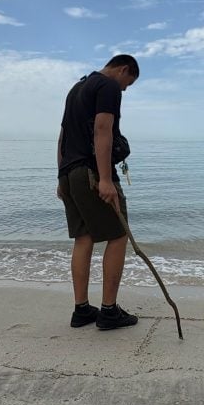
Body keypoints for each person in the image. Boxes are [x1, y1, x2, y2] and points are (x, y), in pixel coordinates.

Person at [57, 54, 140, 330]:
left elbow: (63, 136)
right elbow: (103, 129)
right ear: (123, 69)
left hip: (70, 173)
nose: (124, 90)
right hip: (92, 173)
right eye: (127, 84)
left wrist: (61, 177)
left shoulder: (77, 89)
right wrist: (105, 179)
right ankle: (108, 311)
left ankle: (81, 310)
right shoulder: (107, 86)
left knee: (84, 237)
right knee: (117, 236)